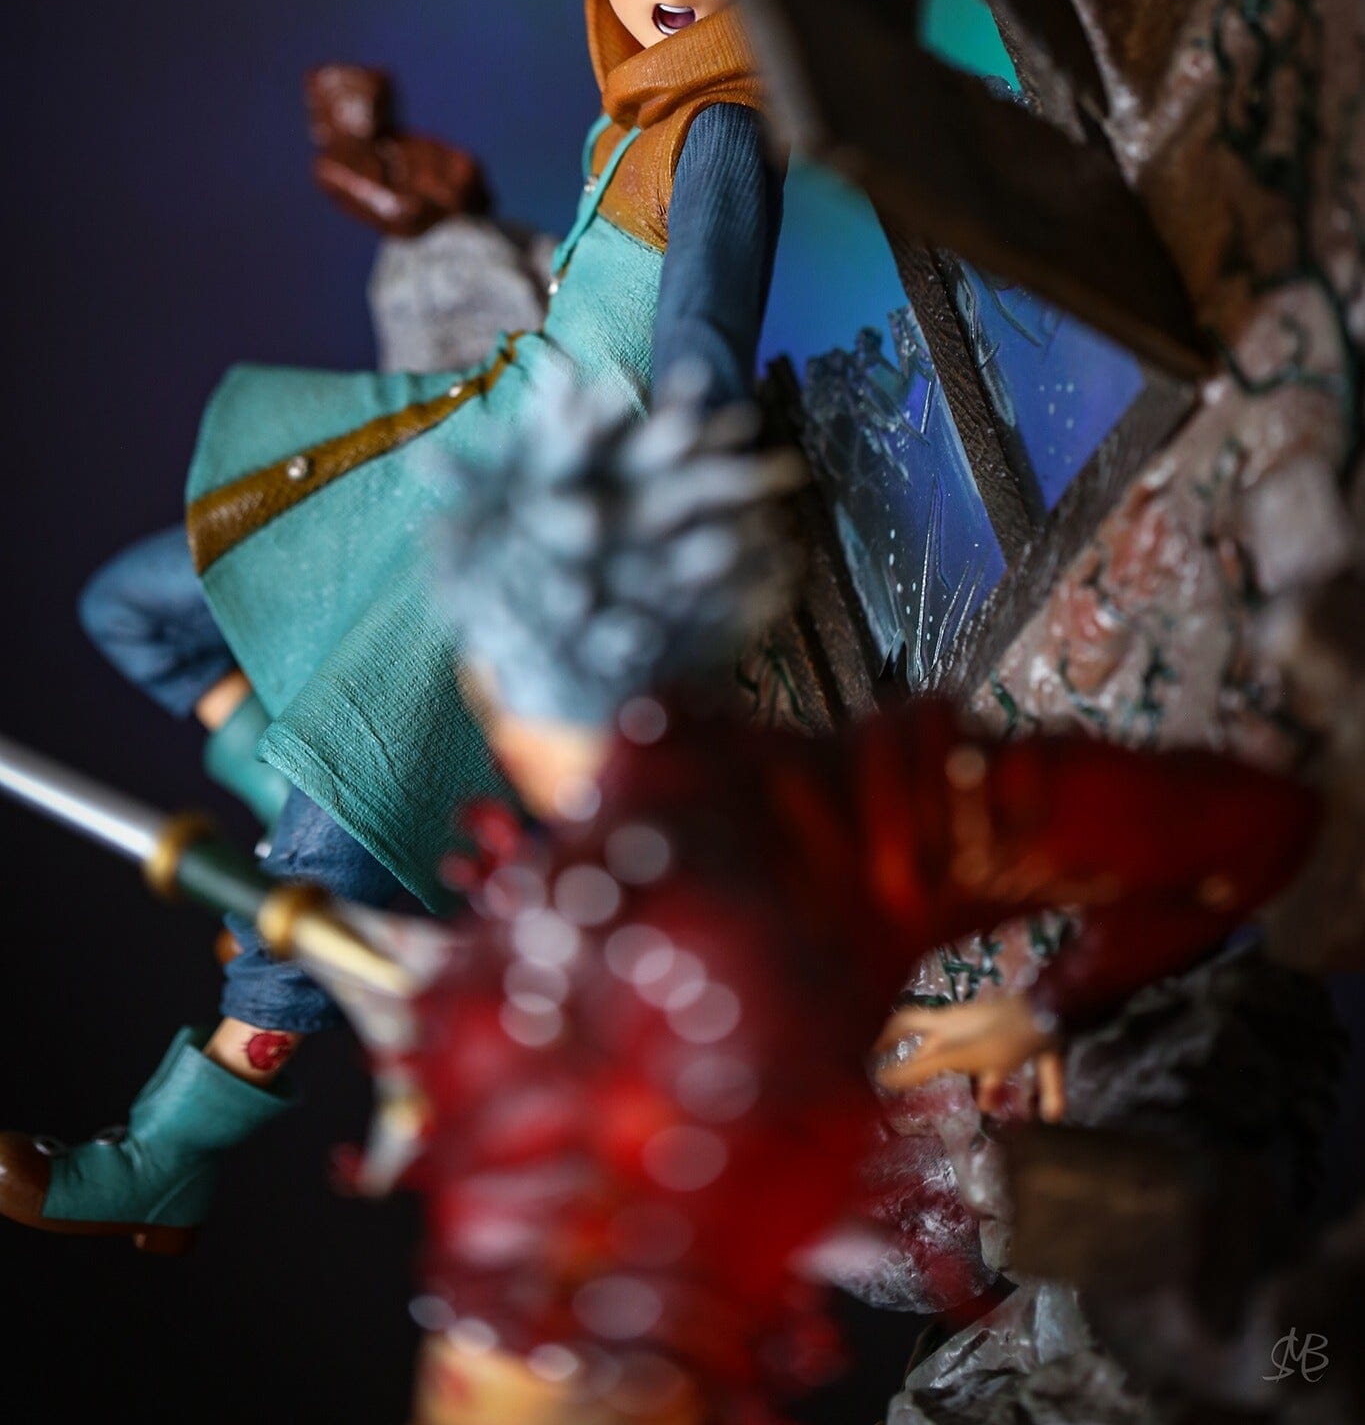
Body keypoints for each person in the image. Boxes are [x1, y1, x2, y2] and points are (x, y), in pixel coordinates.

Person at [0, 0, 812, 1252]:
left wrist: (649, 539)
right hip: (477, 426)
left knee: (329, 843)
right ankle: (311, 792)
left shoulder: (724, 124)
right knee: (148, 601)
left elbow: (700, 351)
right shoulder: (663, 73)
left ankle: (171, 1145)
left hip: (549, 501)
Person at [357, 379, 1324, 1425]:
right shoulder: (876, 806)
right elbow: (1245, 832)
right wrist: (1049, 1004)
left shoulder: (611, 915)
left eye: (484, 686)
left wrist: (1053, 1005)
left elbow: (1250, 831)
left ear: (500, 690)